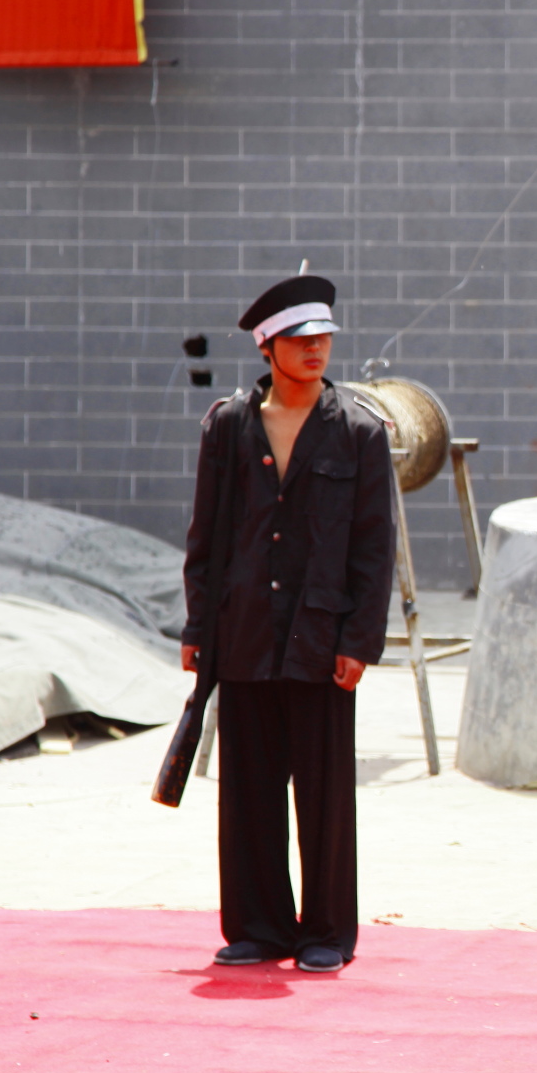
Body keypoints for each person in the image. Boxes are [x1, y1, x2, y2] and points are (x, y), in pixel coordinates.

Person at [181, 274, 396, 974]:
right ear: (267, 347)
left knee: (325, 796)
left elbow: (375, 547)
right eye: (300, 340)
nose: (316, 350)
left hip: (321, 638)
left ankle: (327, 931)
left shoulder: (359, 432)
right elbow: (206, 536)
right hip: (244, 631)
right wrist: (197, 629)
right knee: (249, 790)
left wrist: (359, 641)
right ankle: (259, 926)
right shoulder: (228, 426)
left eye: (323, 338)